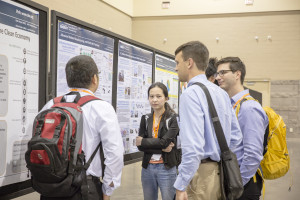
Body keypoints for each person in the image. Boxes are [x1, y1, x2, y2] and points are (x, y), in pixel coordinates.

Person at [40, 55, 124, 200]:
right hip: (84, 187)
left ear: (68, 79)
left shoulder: (50, 105)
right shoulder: (102, 107)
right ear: (94, 78)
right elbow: (114, 153)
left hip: (51, 186)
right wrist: (108, 190)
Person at [173, 41, 244, 200]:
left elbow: (193, 148)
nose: (176, 67)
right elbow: (236, 137)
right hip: (220, 174)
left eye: (178, 62)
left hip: (201, 176)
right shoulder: (221, 93)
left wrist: (181, 184)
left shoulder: (190, 94)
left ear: (189, 62)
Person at [215, 57, 269, 200]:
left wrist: (238, 184)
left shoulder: (249, 108)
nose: (218, 77)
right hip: (233, 177)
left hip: (244, 183)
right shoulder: (232, 105)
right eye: (217, 74)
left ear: (237, 74)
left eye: (222, 72)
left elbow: (253, 154)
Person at [136, 82, 180, 200]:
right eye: (151, 96)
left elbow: (163, 142)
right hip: (147, 168)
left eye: (158, 96)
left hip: (166, 168)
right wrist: (161, 147)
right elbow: (139, 146)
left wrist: (145, 142)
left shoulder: (173, 119)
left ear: (166, 98)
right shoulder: (145, 118)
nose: (154, 100)